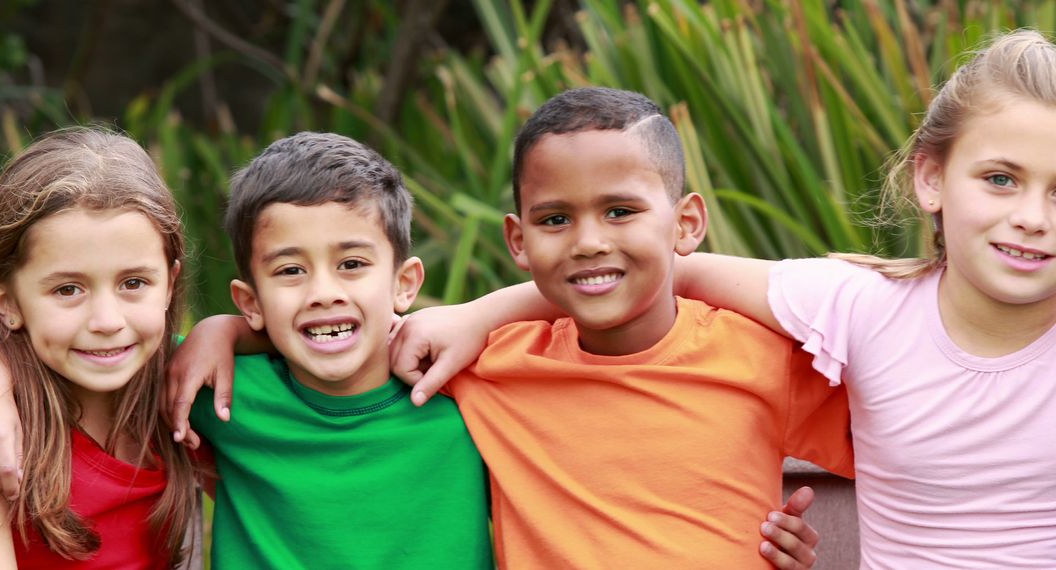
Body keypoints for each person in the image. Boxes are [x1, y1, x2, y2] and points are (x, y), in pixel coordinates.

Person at [393, 30, 1056, 568]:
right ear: (931, 177)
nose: (1030, 216)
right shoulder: (859, 308)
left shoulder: (773, 353)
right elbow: (660, 272)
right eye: (1001, 179)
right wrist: (479, 315)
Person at [173, 89, 852, 568]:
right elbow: (345, 332)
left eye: (620, 211)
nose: (588, 242)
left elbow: (908, 415)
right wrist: (225, 330)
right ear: (518, 240)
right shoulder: (483, 370)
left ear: (688, 224)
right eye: (556, 219)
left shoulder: (759, 355)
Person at [183, 132, 493, 569]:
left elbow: (604, 299)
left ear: (404, 283)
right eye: (290, 270)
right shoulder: (219, 391)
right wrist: (220, 331)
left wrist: (479, 315)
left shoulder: (466, 392)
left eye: (351, 264)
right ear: (251, 302)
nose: (323, 293)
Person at [0, 128, 198, 568]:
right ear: (9, 302)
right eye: (68, 289)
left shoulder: (189, 391)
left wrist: (226, 332)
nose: (106, 322)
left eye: (133, 283)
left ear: (170, 284)